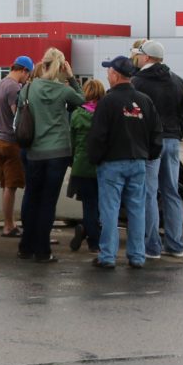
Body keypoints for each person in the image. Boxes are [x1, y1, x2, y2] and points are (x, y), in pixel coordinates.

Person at [86, 56, 160, 269]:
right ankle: (137, 255)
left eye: (109, 71)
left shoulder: (107, 102)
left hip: (111, 163)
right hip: (138, 161)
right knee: (137, 209)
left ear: (116, 75)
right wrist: (149, 154)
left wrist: (95, 159)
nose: (107, 75)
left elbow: (97, 136)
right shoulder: (144, 100)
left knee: (109, 210)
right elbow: (157, 133)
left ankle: (108, 256)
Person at [17, 48, 85, 264]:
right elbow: (83, 101)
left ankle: (25, 246)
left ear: (42, 65)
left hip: (34, 151)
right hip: (58, 152)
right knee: (48, 201)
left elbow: (19, 117)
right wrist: (72, 78)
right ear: (61, 67)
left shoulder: (28, 89)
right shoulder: (63, 91)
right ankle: (43, 250)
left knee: (31, 197)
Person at [131, 40, 183, 260]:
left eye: (138, 54)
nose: (136, 57)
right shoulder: (179, 82)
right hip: (173, 140)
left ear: (146, 57)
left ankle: (152, 245)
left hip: (150, 143)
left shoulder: (137, 82)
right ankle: (176, 244)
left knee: (149, 193)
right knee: (171, 191)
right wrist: (176, 133)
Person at [0, 56, 34, 236]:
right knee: (12, 186)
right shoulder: (14, 87)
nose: (27, 79)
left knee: (6, 185)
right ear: (23, 70)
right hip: (11, 141)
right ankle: (9, 226)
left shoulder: (1, 84)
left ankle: (9, 223)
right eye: (28, 75)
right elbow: (18, 115)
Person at [68, 79, 103, 254]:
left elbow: (72, 143)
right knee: (103, 205)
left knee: (89, 205)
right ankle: (92, 234)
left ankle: (92, 241)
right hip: (102, 166)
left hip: (82, 165)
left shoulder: (77, 114)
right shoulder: (105, 114)